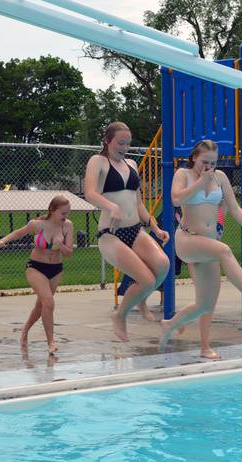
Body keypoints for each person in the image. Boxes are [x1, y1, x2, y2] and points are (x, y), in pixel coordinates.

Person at [161, 139, 242, 358]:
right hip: (187, 239)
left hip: (208, 244)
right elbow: (175, 199)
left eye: (214, 162)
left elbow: (233, 208)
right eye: (205, 161)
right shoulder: (183, 175)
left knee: (205, 304)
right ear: (194, 157)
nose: (209, 167)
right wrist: (200, 182)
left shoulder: (220, 177)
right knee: (225, 251)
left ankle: (183, 333)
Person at [84, 122, 170, 341]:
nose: (125, 147)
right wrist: (111, 206)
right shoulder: (98, 162)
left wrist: (155, 227)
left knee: (163, 265)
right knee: (146, 280)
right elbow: (90, 193)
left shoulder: (131, 163)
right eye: (120, 142)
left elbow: (139, 204)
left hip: (135, 230)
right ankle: (119, 316)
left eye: (128, 143)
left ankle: (140, 299)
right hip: (111, 234)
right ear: (107, 140)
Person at [188, 186, 242, 359]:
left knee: (207, 303)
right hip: (197, 254)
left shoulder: (225, 206)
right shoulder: (200, 204)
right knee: (203, 301)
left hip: (212, 255)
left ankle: (184, 328)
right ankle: (198, 341)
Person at [0, 196, 74, 355]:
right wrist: (3, 240)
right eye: (63, 213)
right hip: (36, 267)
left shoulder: (68, 226)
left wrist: (61, 247)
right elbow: (19, 233)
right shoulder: (37, 225)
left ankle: (24, 331)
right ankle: (51, 342)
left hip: (56, 269)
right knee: (48, 301)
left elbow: (69, 254)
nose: (66, 216)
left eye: (68, 213)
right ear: (52, 210)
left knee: (41, 306)